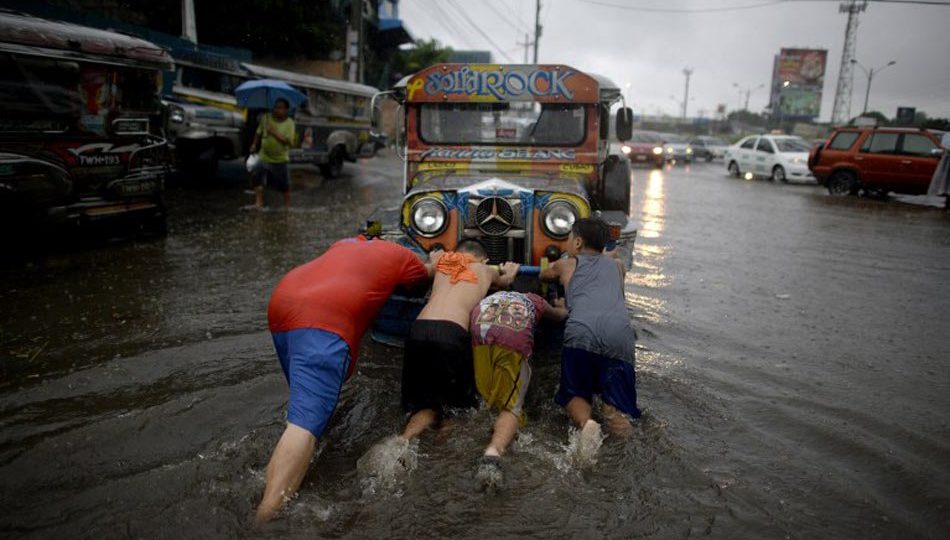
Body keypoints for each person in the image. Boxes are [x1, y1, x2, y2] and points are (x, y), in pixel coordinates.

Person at [256, 236, 435, 523]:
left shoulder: (346, 243)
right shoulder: (401, 255)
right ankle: (266, 516)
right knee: (305, 425)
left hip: (283, 302)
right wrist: (436, 260)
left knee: (306, 411)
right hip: (326, 316)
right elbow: (425, 275)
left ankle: (292, 458)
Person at [398, 239, 519, 443]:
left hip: (418, 331)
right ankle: (442, 456)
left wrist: (433, 258)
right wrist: (510, 270)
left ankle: (403, 441)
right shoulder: (485, 269)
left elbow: (426, 269)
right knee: (453, 411)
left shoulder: (443, 262)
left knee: (425, 405)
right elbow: (506, 281)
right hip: (451, 333)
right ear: (485, 259)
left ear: (455, 253)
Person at [540, 218, 641, 459]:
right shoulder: (617, 267)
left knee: (573, 393)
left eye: (568, 239)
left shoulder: (566, 264)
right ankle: (624, 453)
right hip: (620, 335)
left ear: (576, 241)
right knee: (616, 408)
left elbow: (544, 275)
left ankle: (587, 425)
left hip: (581, 332)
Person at [470, 290, 567, 490]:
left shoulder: (494, 296)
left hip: (480, 332)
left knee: (490, 393)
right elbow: (559, 316)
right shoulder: (535, 300)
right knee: (512, 406)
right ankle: (493, 452)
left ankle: (493, 426)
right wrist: (561, 307)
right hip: (512, 337)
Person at [248, 97, 296, 209]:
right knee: (256, 176)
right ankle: (258, 203)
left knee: (283, 185)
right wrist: (254, 144)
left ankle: (287, 206)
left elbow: (289, 142)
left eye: (280, 108)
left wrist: (273, 132)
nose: (276, 110)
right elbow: (258, 132)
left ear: (286, 110)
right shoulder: (266, 118)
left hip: (279, 159)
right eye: (275, 107)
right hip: (263, 156)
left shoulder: (290, 123)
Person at [926, 131, 950, 210]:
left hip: (945, 166)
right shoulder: (947, 136)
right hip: (946, 165)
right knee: (945, 185)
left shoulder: (946, 136)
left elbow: (942, 147)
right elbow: (942, 148)